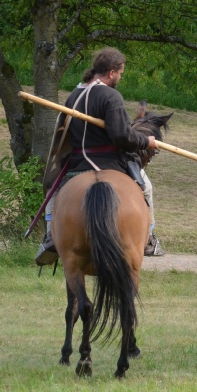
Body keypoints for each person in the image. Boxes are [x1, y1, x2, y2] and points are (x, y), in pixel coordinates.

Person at [35, 47, 158, 266]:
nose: (120, 77)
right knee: (146, 188)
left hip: (77, 163)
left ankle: (50, 236)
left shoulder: (74, 95)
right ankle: (149, 237)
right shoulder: (111, 96)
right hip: (110, 162)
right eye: (120, 73)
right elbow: (121, 136)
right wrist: (145, 141)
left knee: (54, 192)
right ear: (111, 72)